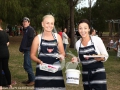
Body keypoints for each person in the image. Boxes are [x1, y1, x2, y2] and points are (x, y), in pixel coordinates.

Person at [30, 14, 66, 90]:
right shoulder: (38, 38)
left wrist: (62, 56)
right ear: (42, 24)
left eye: (52, 23)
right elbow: (32, 55)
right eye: (47, 23)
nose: (49, 25)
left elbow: (62, 52)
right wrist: (39, 61)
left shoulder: (57, 37)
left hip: (56, 70)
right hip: (42, 70)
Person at [71, 19, 109, 90]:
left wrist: (100, 58)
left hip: (98, 73)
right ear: (78, 30)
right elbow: (81, 58)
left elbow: (105, 55)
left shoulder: (96, 40)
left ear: (89, 29)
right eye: (80, 28)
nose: (83, 31)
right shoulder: (77, 44)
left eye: (85, 28)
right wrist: (76, 59)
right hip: (86, 75)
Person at [19, 17, 35, 86]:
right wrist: (21, 48)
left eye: (26, 21)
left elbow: (31, 40)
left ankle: (33, 80)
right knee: (28, 65)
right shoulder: (25, 30)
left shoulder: (30, 30)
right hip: (26, 49)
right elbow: (24, 41)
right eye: (23, 22)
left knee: (27, 65)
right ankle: (30, 79)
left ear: (29, 22)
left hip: (28, 50)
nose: (24, 23)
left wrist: (25, 48)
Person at [0, 25, 12, 89]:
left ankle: (0, 85)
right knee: (6, 68)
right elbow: (8, 43)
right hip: (6, 53)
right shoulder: (5, 33)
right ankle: (9, 84)